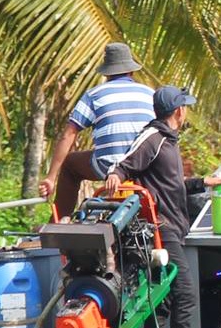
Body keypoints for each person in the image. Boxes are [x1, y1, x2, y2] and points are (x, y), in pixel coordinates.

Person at [103, 85, 208, 328]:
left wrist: (203, 182)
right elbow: (127, 162)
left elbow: (170, 185)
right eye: (185, 106)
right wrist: (115, 174)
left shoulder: (169, 140)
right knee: (185, 294)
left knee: (161, 300)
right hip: (160, 229)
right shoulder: (155, 136)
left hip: (172, 227)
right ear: (178, 111)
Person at [41, 42, 153, 218]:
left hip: (108, 166)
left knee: (70, 164)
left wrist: (51, 177)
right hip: (144, 166)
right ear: (131, 71)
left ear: (106, 73)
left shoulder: (94, 95)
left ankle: (60, 221)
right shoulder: (149, 93)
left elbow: (69, 134)